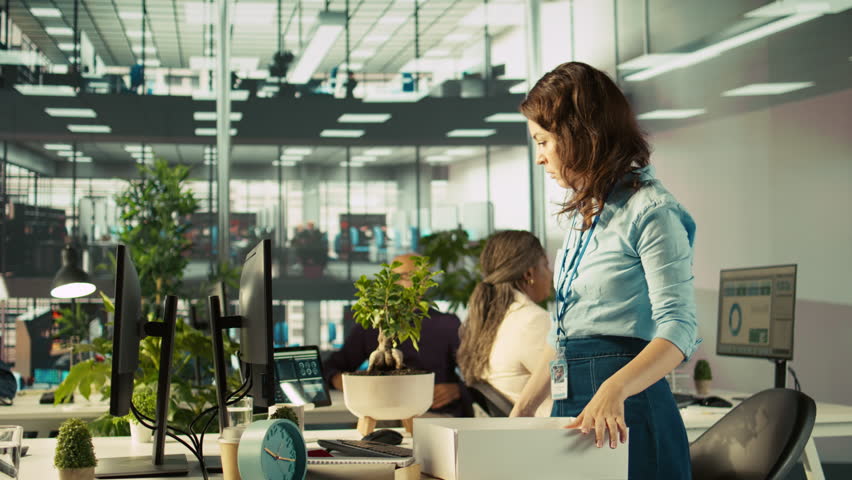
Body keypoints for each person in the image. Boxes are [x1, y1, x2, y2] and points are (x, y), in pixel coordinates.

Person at [511, 62, 699, 479]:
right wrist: (521, 410)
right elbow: (563, 335)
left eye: (543, 141)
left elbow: (679, 329)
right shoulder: (586, 217)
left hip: (627, 407)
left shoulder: (652, 211)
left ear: (579, 133)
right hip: (572, 404)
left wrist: (614, 387)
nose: (540, 157)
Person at [324, 253, 473, 417]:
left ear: (424, 283)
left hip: (436, 412)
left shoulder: (447, 324)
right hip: (382, 413)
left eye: (406, 277)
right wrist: (343, 382)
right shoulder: (373, 324)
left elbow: (477, 373)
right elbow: (332, 367)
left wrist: (457, 389)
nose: (397, 283)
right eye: (393, 278)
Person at [456, 230, 553, 417]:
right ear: (529, 274)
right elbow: (567, 385)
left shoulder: (489, 320)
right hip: (543, 428)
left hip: (511, 428)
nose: (551, 273)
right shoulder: (532, 321)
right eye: (546, 265)